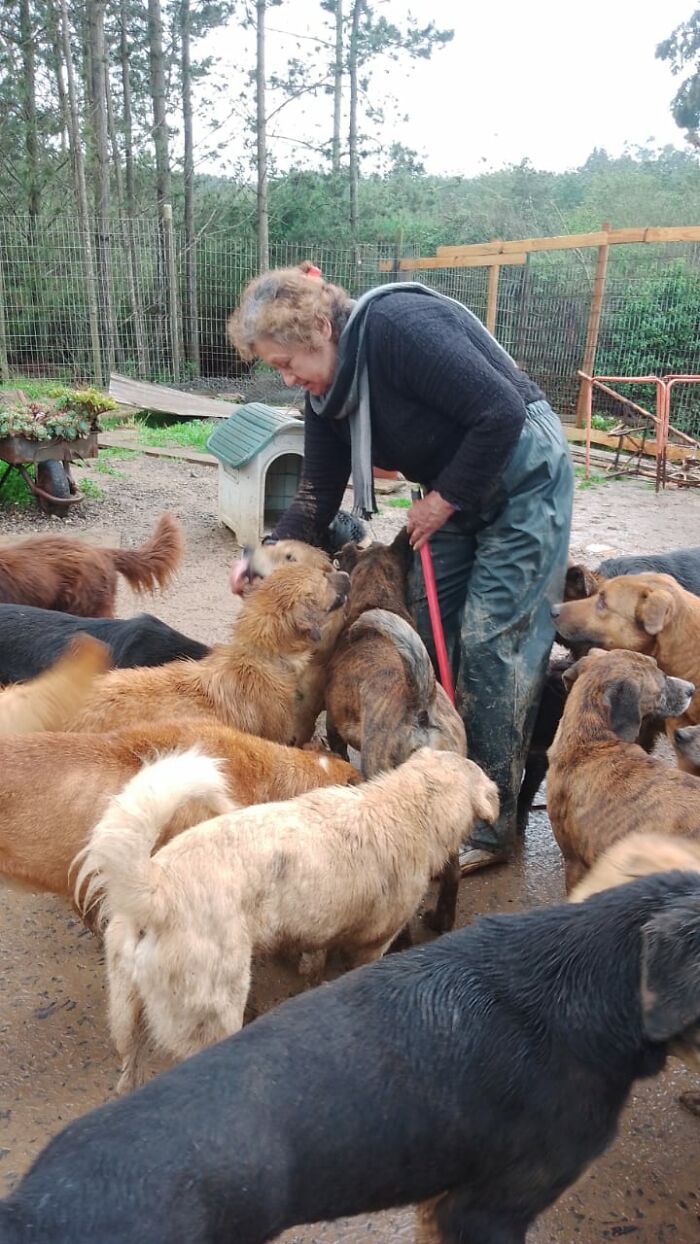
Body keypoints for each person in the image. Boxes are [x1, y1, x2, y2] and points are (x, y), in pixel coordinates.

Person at [227, 262, 573, 873]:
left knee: (493, 639)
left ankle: (488, 824)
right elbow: (316, 494)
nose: (286, 378)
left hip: (522, 470)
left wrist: (443, 500)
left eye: (286, 363)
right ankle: (435, 787)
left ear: (319, 329)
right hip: (455, 485)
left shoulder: (396, 328)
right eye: (275, 368)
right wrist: (262, 558)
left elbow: (499, 412)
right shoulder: (326, 395)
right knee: (420, 628)